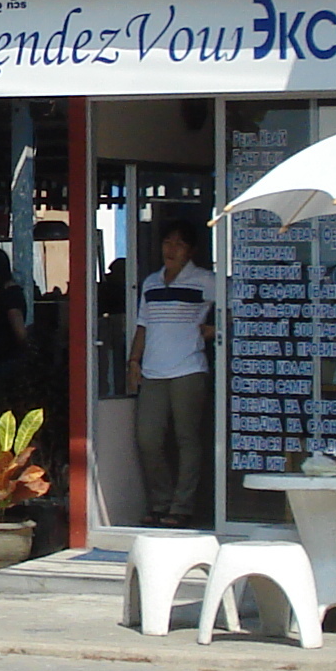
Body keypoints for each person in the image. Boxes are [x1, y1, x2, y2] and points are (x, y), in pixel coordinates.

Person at [129, 221, 218, 527]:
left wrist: (215, 331)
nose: (171, 249)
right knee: (148, 438)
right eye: (168, 242)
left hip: (188, 368)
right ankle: (161, 501)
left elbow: (240, 308)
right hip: (153, 370)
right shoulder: (152, 283)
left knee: (187, 438)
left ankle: (182, 506)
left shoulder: (205, 280)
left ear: (190, 250)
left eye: (178, 243)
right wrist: (134, 361)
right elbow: (143, 325)